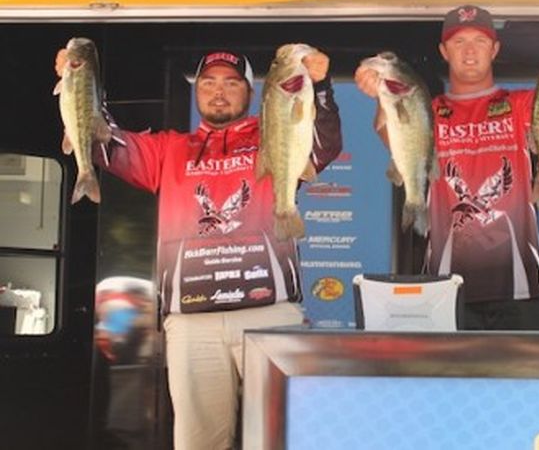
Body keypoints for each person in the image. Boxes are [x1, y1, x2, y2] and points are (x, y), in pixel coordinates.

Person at [55, 47, 342, 449]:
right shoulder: (168, 149)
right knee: (198, 442)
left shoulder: (273, 135)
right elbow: (102, 141)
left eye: (231, 83)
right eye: (208, 83)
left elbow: (321, 146)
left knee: (288, 435)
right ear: (197, 91)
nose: (218, 92)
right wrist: (79, 81)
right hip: (192, 321)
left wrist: (321, 86)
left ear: (250, 91)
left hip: (271, 312)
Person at [355, 5, 539, 330]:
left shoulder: (520, 103)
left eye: (479, 41)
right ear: (443, 51)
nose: (469, 51)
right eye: (458, 42)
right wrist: (380, 94)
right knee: (451, 383)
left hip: (521, 289)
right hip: (446, 289)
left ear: (494, 49)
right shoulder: (427, 108)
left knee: (529, 383)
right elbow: (390, 132)